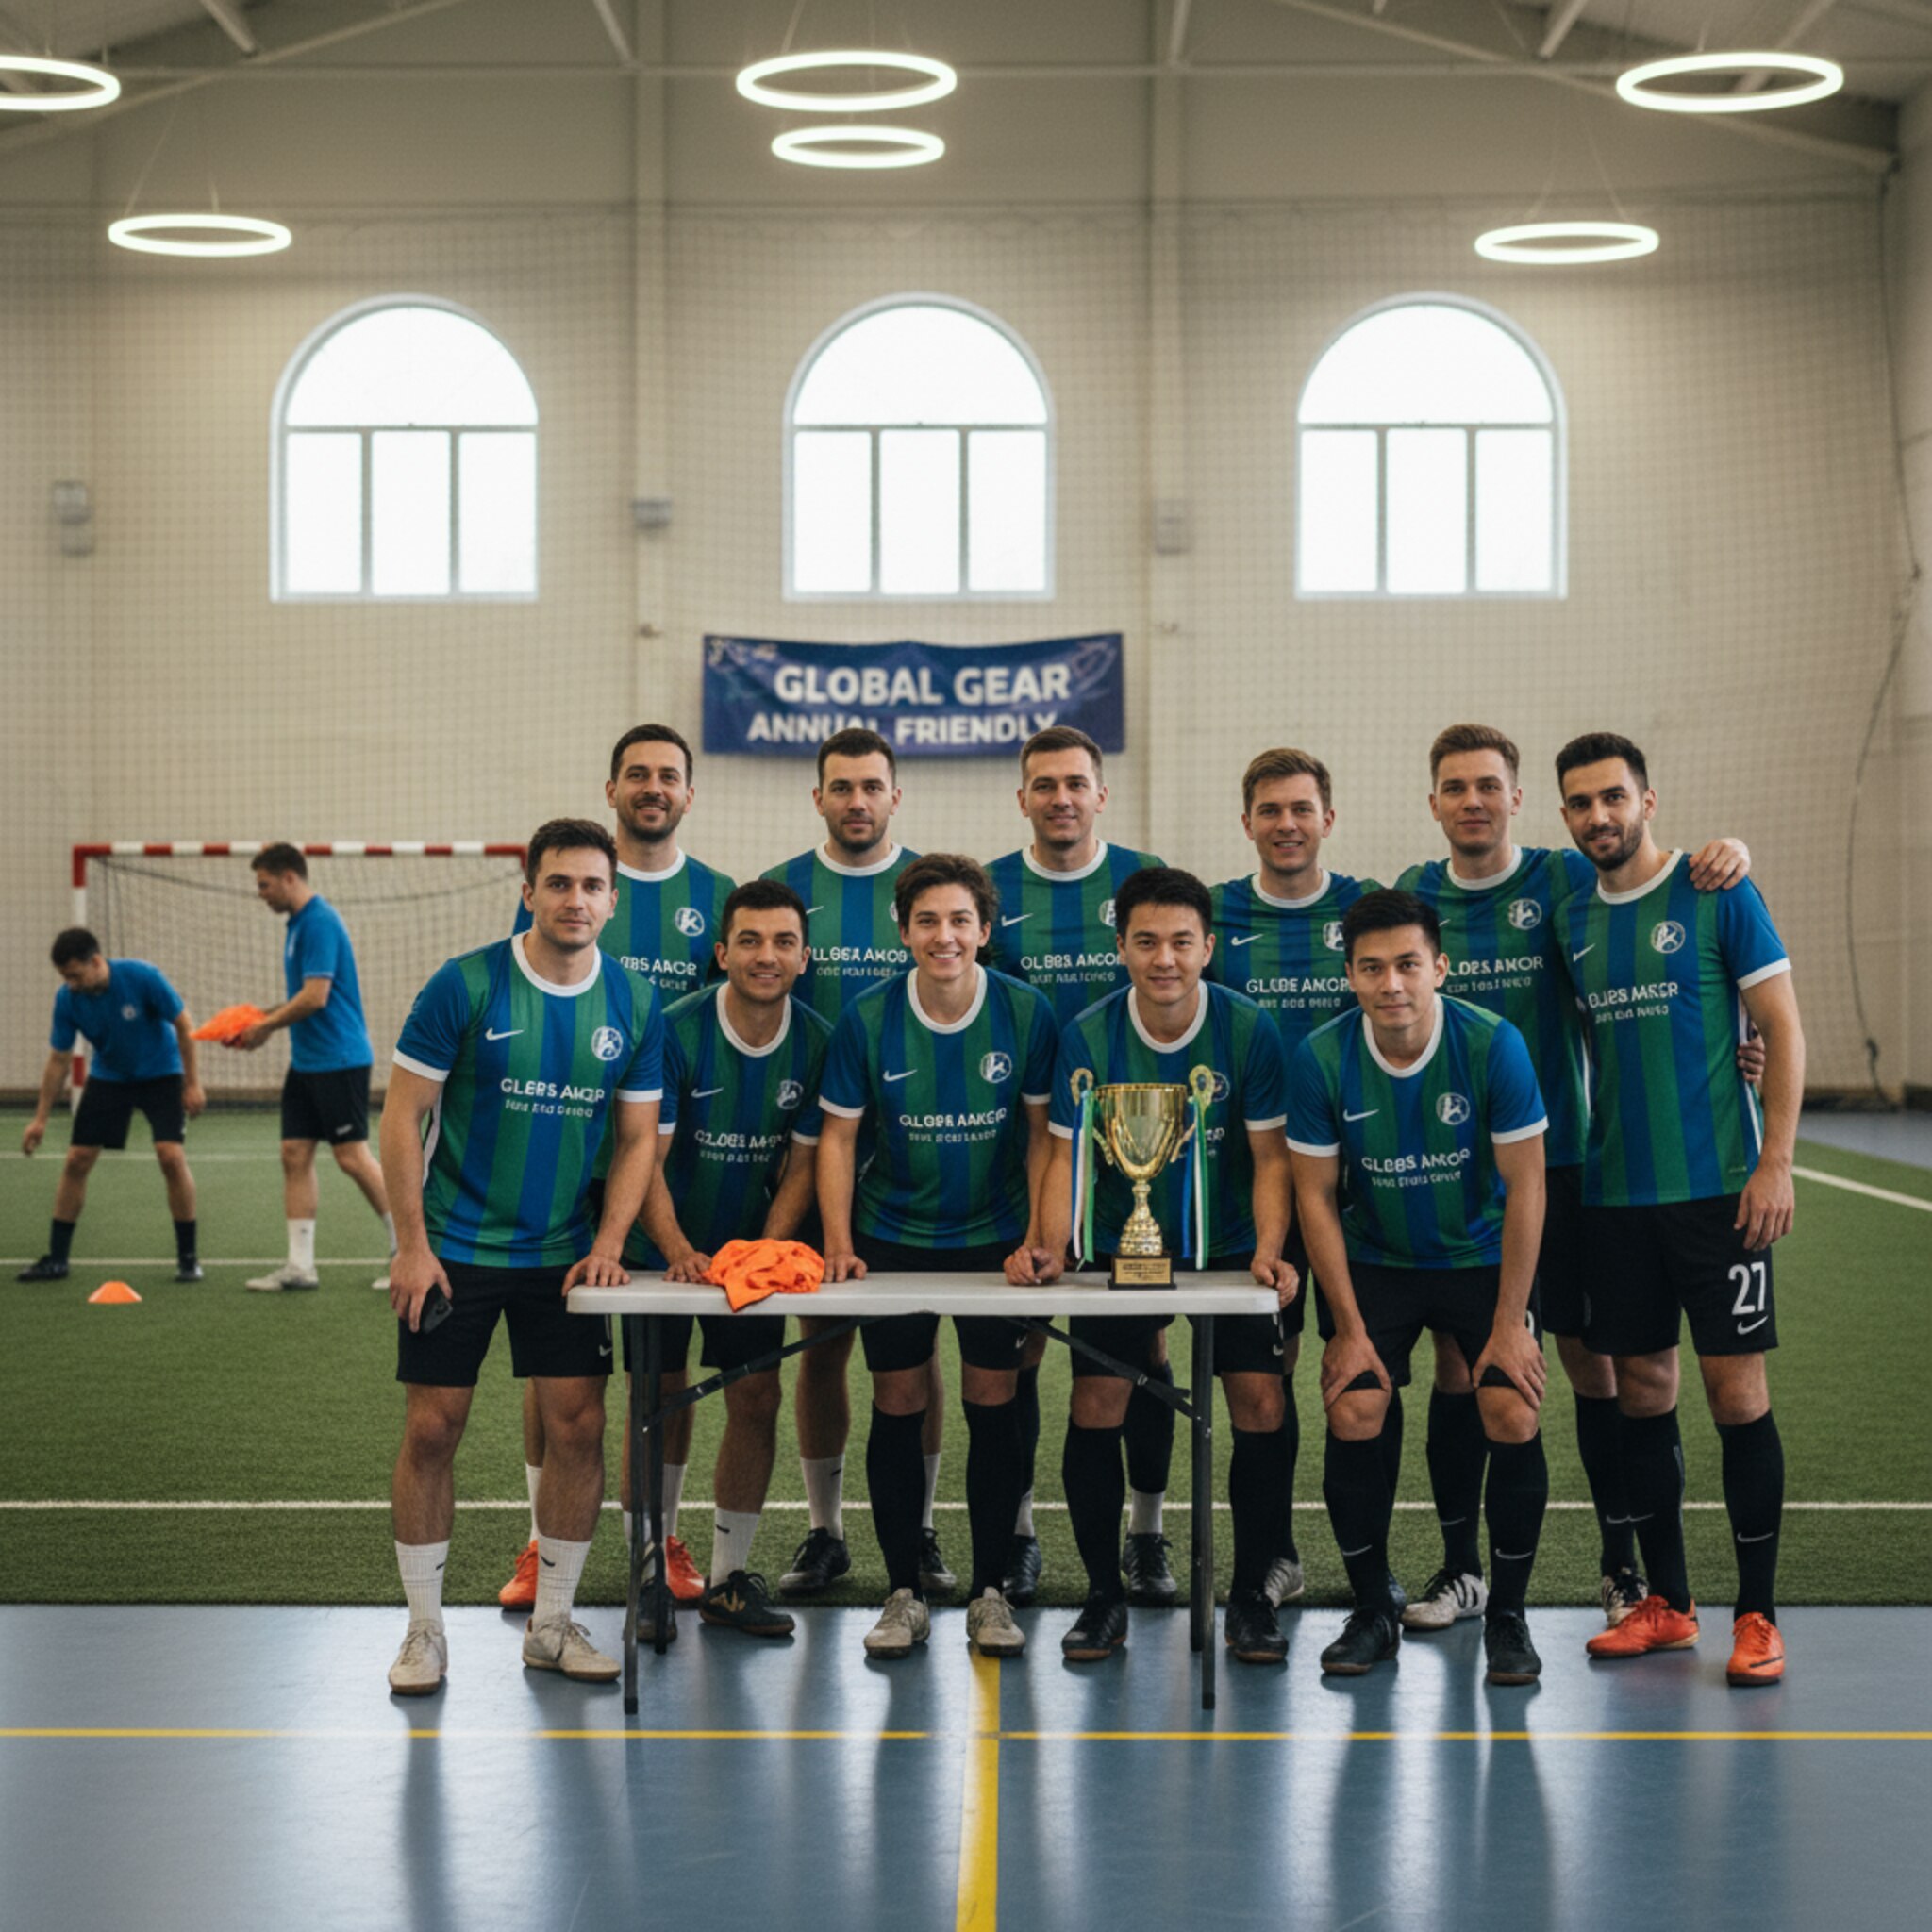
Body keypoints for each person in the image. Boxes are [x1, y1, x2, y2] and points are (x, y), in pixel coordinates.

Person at [1396, 724, 1758, 1634]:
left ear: (1519, 800)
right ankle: (1458, 1568)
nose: (1472, 801)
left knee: (1593, 1364)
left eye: (1488, 784)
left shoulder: (1564, 881)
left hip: (1564, 1171)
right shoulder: (1412, 895)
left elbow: (1653, 916)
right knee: (1459, 1360)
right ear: (1433, 803)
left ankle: (1621, 1566)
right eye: (1454, 787)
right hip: (1448, 1172)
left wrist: (1732, 854)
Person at [381, 820, 663, 1696]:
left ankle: (553, 1623)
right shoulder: (465, 984)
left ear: (614, 900)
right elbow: (401, 1118)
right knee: (434, 1429)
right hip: (455, 1252)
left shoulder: (635, 1002)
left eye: (591, 886)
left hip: (562, 1259)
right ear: (528, 890)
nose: (575, 900)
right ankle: (425, 1631)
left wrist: (610, 1245)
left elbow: (636, 1139)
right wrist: (411, 1248)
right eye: (559, 884)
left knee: (579, 1427)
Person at [1554, 733, 1804, 1688]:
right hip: (1616, 1195)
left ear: (1647, 799)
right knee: (1641, 1394)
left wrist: (1772, 1161)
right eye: (1577, 803)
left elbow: (1779, 1026)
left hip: (1717, 1193)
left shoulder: (1715, 889)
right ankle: (1665, 1602)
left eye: (1611, 797)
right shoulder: (1568, 912)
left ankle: (1755, 1613)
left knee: (1735, 1395)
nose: (1596, 817)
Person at [1020, 866, 1299, 1667]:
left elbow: (1270, 1156)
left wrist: (1271, 1250)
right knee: (1101, 1397)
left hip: (1229, 1249)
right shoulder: (1089, 1034)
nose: (1164, 958)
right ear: (1122, 949)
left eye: (1181, 941)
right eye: (1146, 942)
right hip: (1122, 1245)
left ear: (1208, 948)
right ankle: (1104, 1596)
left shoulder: (1250, 1030)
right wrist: (1051, 1243)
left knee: (1257, 1400)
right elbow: (1066, 1154)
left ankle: (1250, 1594)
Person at [500, 723, 737, 1614]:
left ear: (688, 792)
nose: (652, 787)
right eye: (636, 774)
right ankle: (536, 1542)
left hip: (670, 1158)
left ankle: (660, 1541)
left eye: (668, 775)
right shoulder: (566, 886)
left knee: (665, 1365)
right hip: (560, 1161)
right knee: (555, 1370)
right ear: (611, 790)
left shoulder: (715, 896)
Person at [1288, 890, 1552, 1684]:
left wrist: (1511, 1325)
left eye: (1408, 964)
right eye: (1372, 968)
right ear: (1351, 976)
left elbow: (1528, 1187)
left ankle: (1506, 1613)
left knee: (1507, 1402)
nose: (1392, 983)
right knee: (1356, 1399)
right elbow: (1314, 1198)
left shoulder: (1492, 1044)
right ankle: (1373, 1609)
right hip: (1379, 1258)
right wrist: (1347, 1326)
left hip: (1479, 1256)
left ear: (1439, 966)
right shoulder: (1323, 1056)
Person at [816, 855, 1058, 1658]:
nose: (944, 935)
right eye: (927, 921)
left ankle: (991, 1592)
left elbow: (1039, 1139)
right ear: (904, 931)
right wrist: (843, 1244)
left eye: (960, 921)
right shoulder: (868, 1015)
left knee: (993, 1399)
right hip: (893, 1235)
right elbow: (840, 1137)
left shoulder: (1026, 1012)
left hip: (994, 1241)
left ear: (985, 931)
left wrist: (1036, 1238)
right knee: (899, 1399)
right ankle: (904, 1592)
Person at [762, 730, 952, 1603]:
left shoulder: (931, 893)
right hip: (812, 1155)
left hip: (924, 1156)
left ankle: (919, 1530)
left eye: (871, 787)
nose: (856, 802)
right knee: (823, 1348)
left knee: (920, 1352)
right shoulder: (783, 893)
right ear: (819, 799)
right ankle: (825, 1529)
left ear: (895, 797)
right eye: (841, 788)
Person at [984, 725, 1164, 1606]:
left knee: (1140, 1348)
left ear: (1102, 795)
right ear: (1023, 799)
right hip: (1028, 1143)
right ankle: (1017, 1534)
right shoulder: (991, 892)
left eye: (1077, 783)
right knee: (1017, 1348)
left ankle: (1148, 1535)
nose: (1061, 798)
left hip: (1146, 1149)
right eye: (1044, 785)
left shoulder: (1141, 879)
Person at [630, 880, 831, 1640]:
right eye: (749, 941)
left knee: (754, 1398)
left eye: (783, 942)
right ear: (722, 953)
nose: (766, 956)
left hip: (747, 1257)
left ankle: (726, 1579)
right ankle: (649, 1570)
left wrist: (769, 1249)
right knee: (655, 1401)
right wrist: (679, 1250)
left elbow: (806, 1160)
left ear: (804, 957)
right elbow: (642, 1156)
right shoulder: (676, 1030)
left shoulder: (815, 1039)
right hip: (662, 1250)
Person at [1208, 747, 1383, 1615]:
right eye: (1269, 810)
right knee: (1263, 1381)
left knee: (1365, 1378)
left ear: (1328, 817)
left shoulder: (1368, 913)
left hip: (1371, 1191)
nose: (1286, 824)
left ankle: (1382, 1571)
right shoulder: (1213, 917)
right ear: (1247, 823)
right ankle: (1269, 1559)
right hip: (1254, 1197)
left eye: (1301, 808)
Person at [231, 845, 394, 1293]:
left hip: (338, 1059)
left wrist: (264, 1027)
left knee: (351, 1157)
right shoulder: (297, 925)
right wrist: (254, 1019)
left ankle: (407, 1251)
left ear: (288, 877)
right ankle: (300, 1266)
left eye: (263, 884)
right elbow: (303, 995)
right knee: (294, 1155)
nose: (260, 893)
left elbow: (316, 997)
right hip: (306, 1062)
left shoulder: (320, 921)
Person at [18, 929, 205, 1283]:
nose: (71, 983)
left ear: (97, 962)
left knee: (170, 1156)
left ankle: (188, 1259)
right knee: (77, 1159)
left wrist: (192, 1083)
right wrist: (40, 1118)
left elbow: (184, 1024)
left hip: (162, 1072)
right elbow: (58, 1059)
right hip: (110, 1076)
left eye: (75, 975)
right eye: (65, 977)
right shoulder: (68, 998)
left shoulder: (142, 976)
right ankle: (57, 1259)